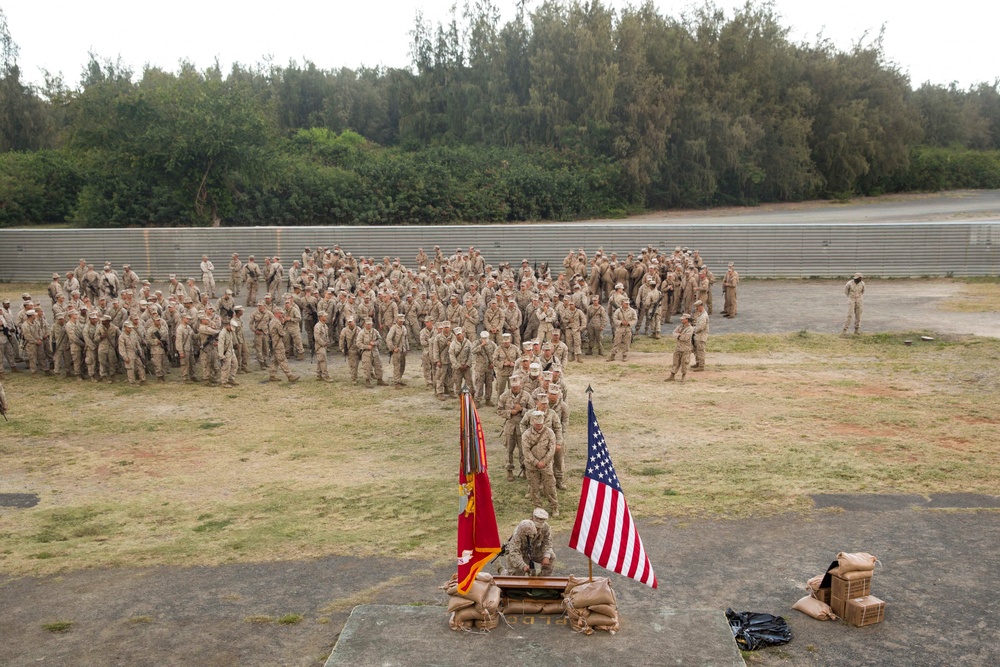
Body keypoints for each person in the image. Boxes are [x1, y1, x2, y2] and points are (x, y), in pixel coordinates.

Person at [522, 410, 559, 517]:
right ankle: (537, 508)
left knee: (550, 487)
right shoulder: (526, 435)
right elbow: (526, 451)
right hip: (531, 466)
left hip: (546, 466)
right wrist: (536, 462)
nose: (539, 426)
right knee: (534, 488)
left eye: (541, 424)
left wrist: (544, 462)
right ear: (532, 422)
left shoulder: (549, 433)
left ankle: (554, 506)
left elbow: (552, 449)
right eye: (537, 424)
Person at [498, 509, 556, 576]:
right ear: (532, 519)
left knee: (551, 556)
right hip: (519, 553)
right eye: (536, 527)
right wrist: (523, 566)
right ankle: (501, 570)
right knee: (516, 576)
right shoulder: (519, 531)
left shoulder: (545, 527)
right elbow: (514, 551)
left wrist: (546, 556)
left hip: (533, 550)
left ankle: (542, 580)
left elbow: (548, 542)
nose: (538, 530)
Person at [667, 313, 694, 382]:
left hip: (686, 348)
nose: (681, 319)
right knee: (675, 362)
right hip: (678, 347)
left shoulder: (690, 328)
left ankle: (683, 376)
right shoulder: (680, 326)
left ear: (687, 320)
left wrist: (678, 335)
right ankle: (672, 375)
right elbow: (673, 333)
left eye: (683, 319)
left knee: (684, 362)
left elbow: (685, 338)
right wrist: (678, 335)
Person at [692, 300, 709, 371]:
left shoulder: (704, 316)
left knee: (700, 350)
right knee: (696, 350)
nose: (696, 309)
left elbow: (700, 327)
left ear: (700, 306)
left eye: (697, 307)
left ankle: (701, 366)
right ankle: (698, 362)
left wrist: (693, 330)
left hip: (701, 336)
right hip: (698, 336)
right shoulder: (701, 314)